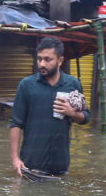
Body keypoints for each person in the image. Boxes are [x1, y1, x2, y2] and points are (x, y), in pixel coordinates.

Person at [9, 36, 89, 177]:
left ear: (60, 61)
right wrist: (15, 159)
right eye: (39, 59)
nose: (42, 64)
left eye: (47, 59)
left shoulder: (72, 85)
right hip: (30, 165)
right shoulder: (26, 85)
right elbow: (16, 123)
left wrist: (72, 113)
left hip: (61, 166)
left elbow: (85, 117)